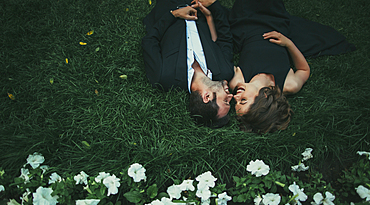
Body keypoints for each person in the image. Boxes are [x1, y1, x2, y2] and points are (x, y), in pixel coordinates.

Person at [227, 0, 355, 133]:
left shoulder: (238, 80)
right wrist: (289, 44)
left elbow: (225, 57)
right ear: (264, 97)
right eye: (243, 100)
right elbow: (304, 70)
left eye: (236, 102)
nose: (235, 97)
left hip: (247, 26)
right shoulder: (288, 84)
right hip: (275, 23)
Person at [142, 0, 234, 128]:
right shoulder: (225, 71)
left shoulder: (164, 77)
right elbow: (225, 39)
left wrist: (174, 14)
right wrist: (212, 9)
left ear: (206, 97)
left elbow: (149, 41)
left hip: (169, 6)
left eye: (226, 100)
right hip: (200, 6)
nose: (231, 96)